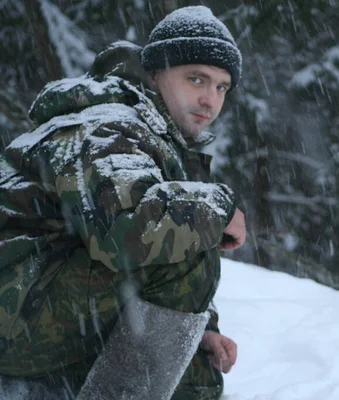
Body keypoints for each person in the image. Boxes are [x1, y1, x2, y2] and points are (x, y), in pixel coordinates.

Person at [0, 5, 244, 399]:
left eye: (221, 87)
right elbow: (127, 231)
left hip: (28, 304)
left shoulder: (150, 133)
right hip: (13, 309)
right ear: (154, 73)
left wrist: (204, 327)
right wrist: (220, 207)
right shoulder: (109, 127)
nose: (209, 99)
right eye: (196, 78)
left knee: (186, 339)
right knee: (183, 239)